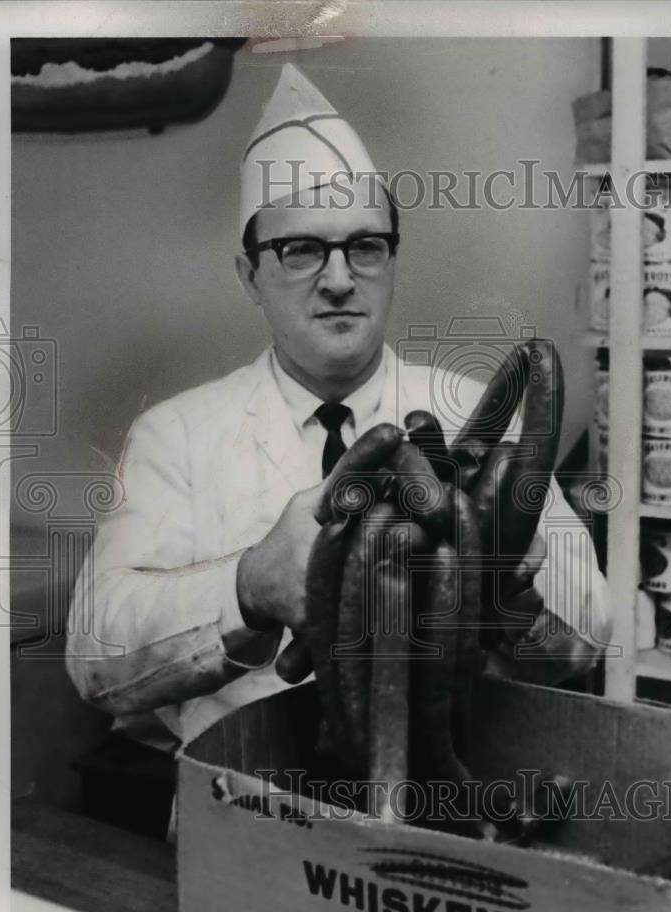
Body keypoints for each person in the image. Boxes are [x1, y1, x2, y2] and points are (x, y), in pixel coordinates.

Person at [66, 64, 612, 757]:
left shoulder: (478, 414)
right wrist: (251, 586)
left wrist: (514, 597)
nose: (337, 278)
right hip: (243, 810)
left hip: (444, 807)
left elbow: (590, 638)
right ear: (250, 276)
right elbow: (94, 660)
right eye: (299, 250)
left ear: (390, 260)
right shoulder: (175, 437)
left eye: (363, 245)